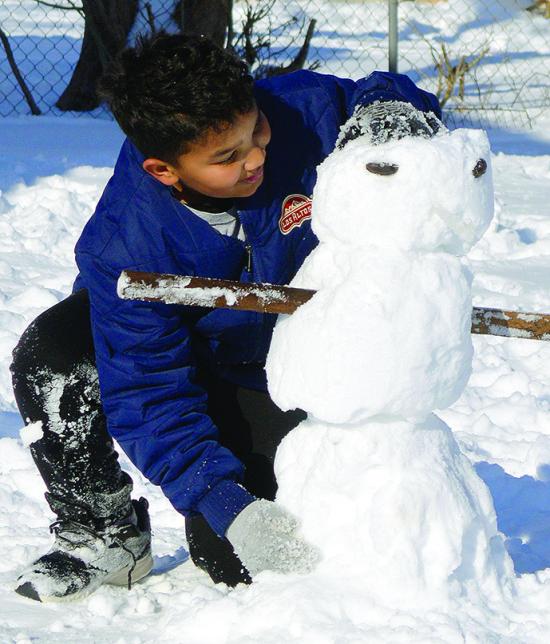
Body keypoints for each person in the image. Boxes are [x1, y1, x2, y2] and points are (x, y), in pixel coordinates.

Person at [10, 32, 441, 602]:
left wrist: (392, 114)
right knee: (55, 355)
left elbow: (381, 92)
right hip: (195, 360)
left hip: (295, 361)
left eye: (255, 131)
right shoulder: (126, 242)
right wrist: (220, 498)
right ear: (165, 170)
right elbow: (147, 384)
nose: (256, 156)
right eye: (227, 157)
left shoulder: (299, 111)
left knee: (294, 544)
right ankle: (104, 534)